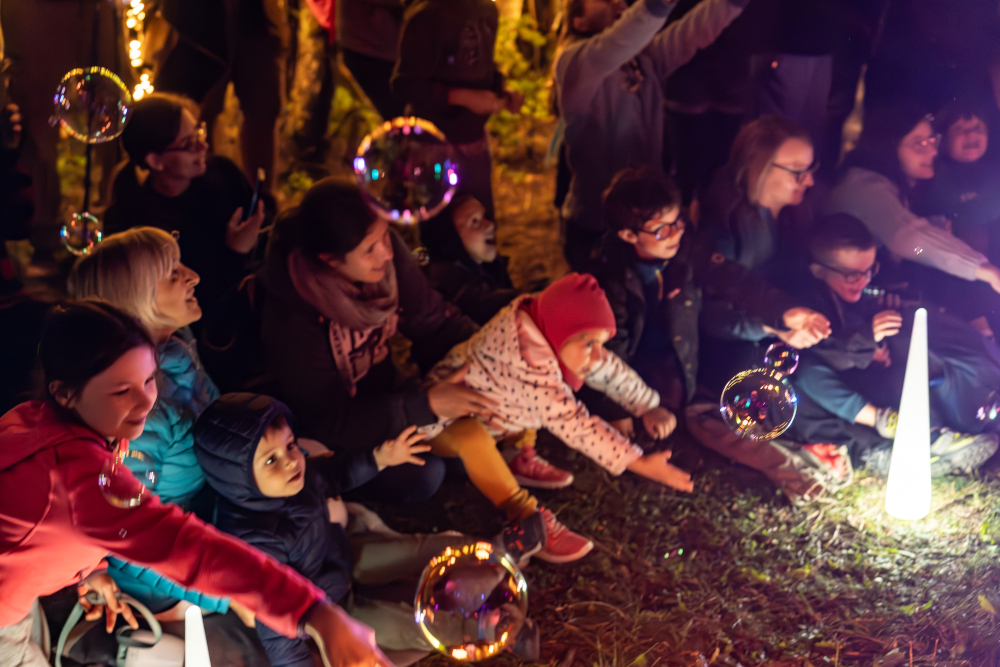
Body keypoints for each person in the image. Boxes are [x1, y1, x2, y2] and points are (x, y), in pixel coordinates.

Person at [0, 300, 395, 667]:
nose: (147, 402)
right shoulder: (78, 480)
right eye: (122, 390)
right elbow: (187, 547)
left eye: (149, 380)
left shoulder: (34, 419)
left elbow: (57, 518)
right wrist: (314, 612)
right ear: (65, 393)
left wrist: (89, 568)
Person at [261, 178, 585, 562]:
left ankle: (514, 449)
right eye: (369, 249)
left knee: (479, 413)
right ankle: (528, 517)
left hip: (390, 395)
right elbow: (328, 419)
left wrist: (492, 361)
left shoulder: (389, 258)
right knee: (426, 473)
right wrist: (425, 405)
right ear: (330, 260)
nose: (386, 253)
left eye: (386, 236)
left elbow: (434, 321)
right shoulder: (292, 321)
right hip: (337, 433)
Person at [193, 392, 543, 665]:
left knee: (418, 548)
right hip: (328, 608)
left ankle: (499, 550)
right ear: (238, 479)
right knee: (403, 626)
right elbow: (274, 623)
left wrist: (380, 458)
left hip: (344, 554)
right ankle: (483, 628)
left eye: (290, 446)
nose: (290, 462)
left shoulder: (301, 477)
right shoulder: (251, 541)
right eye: (271, 460)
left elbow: (336, 474)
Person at [589, 167, 840, 497]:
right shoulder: (608, 277)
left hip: (684, 371)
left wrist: (785, 312)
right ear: (628, 235)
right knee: (698, 422)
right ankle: (795, 470)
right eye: (662, 230)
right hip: (640, 379)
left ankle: (804, 454)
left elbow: (732, 279)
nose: (675, 234)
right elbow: (611, 348)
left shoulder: (687, 247)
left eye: (678, 221)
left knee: (738, 403)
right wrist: (621, 409)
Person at [426, 273, 700, 499]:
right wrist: (638, 463)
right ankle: (519, 510)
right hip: (441, 426)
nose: (598, 355)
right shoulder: (527, 364)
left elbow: (608, 368)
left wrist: (647, 406)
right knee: (474, 437)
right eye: (590, 344)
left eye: (600, 343)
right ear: (564, 334)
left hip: (500, 411)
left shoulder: (548, 324)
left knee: (528, 405)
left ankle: (515, 453)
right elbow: (575, 425)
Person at [789, 213, 1000, 475]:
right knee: (807, 372)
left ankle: (960, 422)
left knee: (921, 326)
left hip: (884, 378)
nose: (863, 280)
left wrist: (880, 323)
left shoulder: (861, 297)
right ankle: (907, 438)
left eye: (869, 271)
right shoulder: (806, 305)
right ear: (818, 271)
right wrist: (867, 340)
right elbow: (817, 355)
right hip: (850, 395)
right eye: (852, 275)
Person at [554, 0, 751, 270]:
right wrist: (655, 6)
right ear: (579, 22)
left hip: (650, 223)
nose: (617, 2)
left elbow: (690, 33)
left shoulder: (643, 60)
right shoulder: (575, 64)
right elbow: (620, 41)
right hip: (598, 225)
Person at [826, 102, 1000, 336]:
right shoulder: (863, 187)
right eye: (919, 144)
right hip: (845, 307)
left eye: (931, 141)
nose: (932, 152)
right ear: (888, 146)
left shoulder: (898, 184)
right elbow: (909, 238)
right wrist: (986, 270)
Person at [103, 93, 265, 327]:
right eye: (188, 144)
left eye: (199, 133)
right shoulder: (138, 224)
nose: (203, 146)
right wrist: (236, 251)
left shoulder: (223, 175)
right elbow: (195, 297)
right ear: (155, 161)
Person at [391, 0, 522, 218]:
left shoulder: (486, 9)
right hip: (433, 148)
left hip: (475, 144)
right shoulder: (428, 15)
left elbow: (479, 65)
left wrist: (502, 93)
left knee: (482, 225)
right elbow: (405, 85)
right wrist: (463, 98)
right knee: (442, 228)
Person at [700, 115, 819, 287]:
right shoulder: (727, 230)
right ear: (759, 167)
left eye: (810, 169)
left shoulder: (800, 211)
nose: (810, 181)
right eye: (797, 171)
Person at [918, 100, 1000, 266]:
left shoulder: (995, 171)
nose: (971, 134)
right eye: (959, 129)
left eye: (978, 128)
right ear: (942, 139)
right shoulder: (933, 178)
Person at [419, 194, 519, 325]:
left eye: (486, 217)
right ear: (449, 237)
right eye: (475, 221)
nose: (490, 225)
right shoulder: (450, 286)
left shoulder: (489, 270)